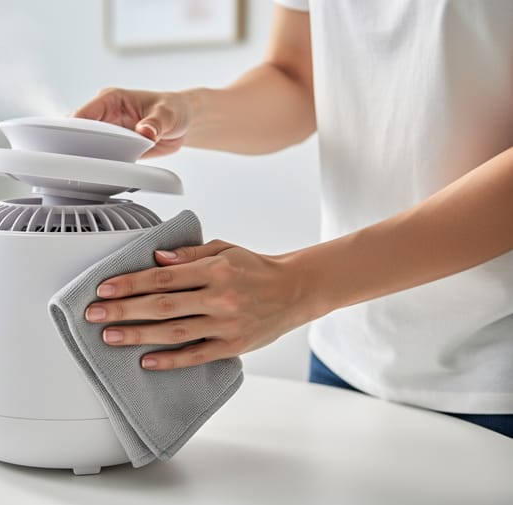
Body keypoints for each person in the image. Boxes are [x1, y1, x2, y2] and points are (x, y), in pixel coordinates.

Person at [75, 1, 513, 438]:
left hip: (494, 371)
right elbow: (297, 78)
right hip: (346, 351)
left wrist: (301, 284)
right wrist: (184, 111)